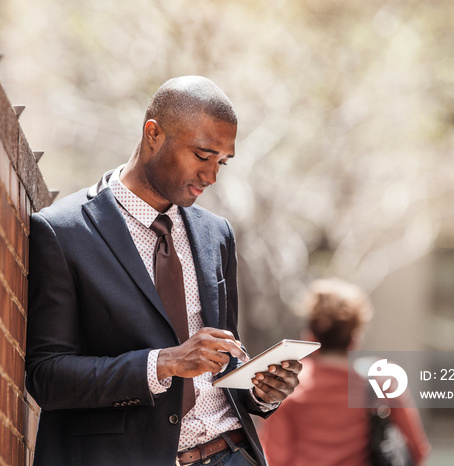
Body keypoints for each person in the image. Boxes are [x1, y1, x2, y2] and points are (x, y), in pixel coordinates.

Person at [25, 76, 302, 466]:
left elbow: (224, 356)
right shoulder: (62, 232)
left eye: (222, 161)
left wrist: (260, 389)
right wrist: (165, 363)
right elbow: (47, 377)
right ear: (153, 133)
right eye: (203, 155)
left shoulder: (215, 233)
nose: (211, 176)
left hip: (232, 452)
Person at [259, 278, 430, 466]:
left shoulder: (287, 386)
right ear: (355, 339)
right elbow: (418, 451)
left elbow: (275, 458)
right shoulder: (380, 381)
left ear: (310, 337)